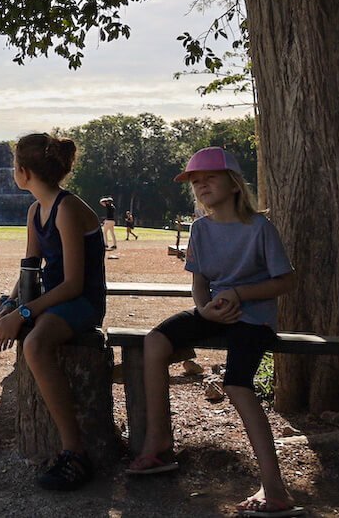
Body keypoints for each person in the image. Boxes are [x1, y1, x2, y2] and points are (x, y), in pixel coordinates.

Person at [126, 147, 300, 518]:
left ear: (234, 184)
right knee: (155, 341)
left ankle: (275, 490)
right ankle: (158, 445)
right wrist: (205, 308)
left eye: (210, 178)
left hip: (253, 317)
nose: (201, 185)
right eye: (195, 181)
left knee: (237, 385)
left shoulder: (260, 228)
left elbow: (285, 281)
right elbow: (200, 280)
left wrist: (238, 294)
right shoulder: (200, 229)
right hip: (215, 309)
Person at [0, 132, 106, 492]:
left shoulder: (67, 209)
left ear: (23, 171)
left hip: (79, 304)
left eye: (14, 165)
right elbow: (30, 269)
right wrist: (12, 304)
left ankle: (75, 452)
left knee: (36, 346)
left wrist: (23, 316)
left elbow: (74, 284)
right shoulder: (35, 210)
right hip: (43, 299)